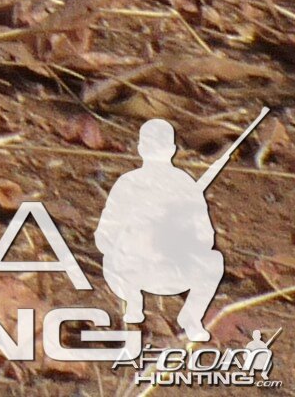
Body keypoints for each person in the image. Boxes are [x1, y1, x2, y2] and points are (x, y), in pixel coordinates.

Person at [96, 119, 229, 343]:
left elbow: (206, 238)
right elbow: (104, 235)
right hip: (132, 265)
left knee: (213, 261)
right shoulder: (129, 184)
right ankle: (133, 312)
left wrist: (179, 233)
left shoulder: (185, 186)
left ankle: (191, 318)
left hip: (172, 263)